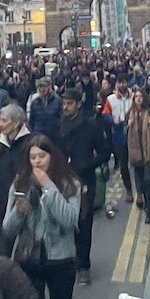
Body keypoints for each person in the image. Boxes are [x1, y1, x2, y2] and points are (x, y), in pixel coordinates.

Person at [2, 137, 82, 299]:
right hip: (28, 260)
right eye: (33, 157)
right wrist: (20, 209)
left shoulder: (70, 183)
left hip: (61, 261)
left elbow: (69, 220)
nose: (37, 162)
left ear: (52, 157)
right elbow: (7, 229)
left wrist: (49, 188)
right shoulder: (19, 183)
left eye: (42, 157)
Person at [58, 86, 111, 285]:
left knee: (83, 223)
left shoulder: (90, 126)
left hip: (84, 181)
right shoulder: (60, 125)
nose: (65, 107)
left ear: (79, 104)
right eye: (64, 104)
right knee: (65, 222)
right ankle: (70, 260)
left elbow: (105, 152)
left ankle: (84, 266)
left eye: (69, 104)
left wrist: (86, 164)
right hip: (63, 180)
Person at [0, 104, 35, 257]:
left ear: (17, 123)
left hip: (28, 210)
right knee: (2, 258)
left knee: (28, 256)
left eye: (4, 120)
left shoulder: (33, 143)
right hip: (4, 211)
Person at [127, 89, 150, 224]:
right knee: (139, 180)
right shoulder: (130, 114)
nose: (139, 99)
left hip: (148, 152)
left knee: (147, 181)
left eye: (141, 96)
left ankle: (149, 210)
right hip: (136, 153)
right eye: (136, 97)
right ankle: (140, 196)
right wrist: (128, 125)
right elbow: (124, 131)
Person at [103, 78, 136, 201]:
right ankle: (129, 190)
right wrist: (113, 120)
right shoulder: (111, 99)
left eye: (124, 82)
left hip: (133, 134)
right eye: (120, 82)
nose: (123, 84)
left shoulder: (134, 96)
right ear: (117, 84)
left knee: (137, 163)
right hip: (118, 135)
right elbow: (105, 114)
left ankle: (140, 192)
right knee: (123, 165)